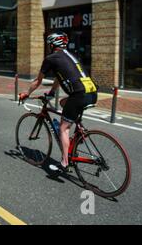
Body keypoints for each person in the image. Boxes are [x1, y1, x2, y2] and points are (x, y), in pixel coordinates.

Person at [19, 32, 98, 175]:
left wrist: (27, 93)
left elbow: (37, 81)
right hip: (92, 93)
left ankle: (64, 163)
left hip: (78, 95)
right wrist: (52, 92)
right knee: (63, 102)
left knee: (63, 128)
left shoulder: (51, 58)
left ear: (52, 45)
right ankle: (77, 131)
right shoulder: (71, 56)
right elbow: (59, 77)